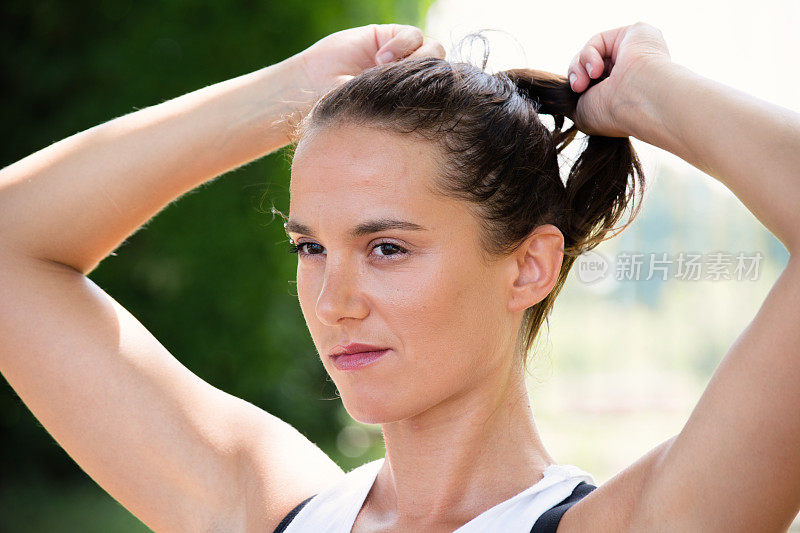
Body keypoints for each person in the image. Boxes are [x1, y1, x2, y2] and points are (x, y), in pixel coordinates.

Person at [0, 18, 798, 532]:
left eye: (387, 248)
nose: (332, 301)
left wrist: (653, 93)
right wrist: (286, 93)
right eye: (310, 246)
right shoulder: (272, 510)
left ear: (529, 264)